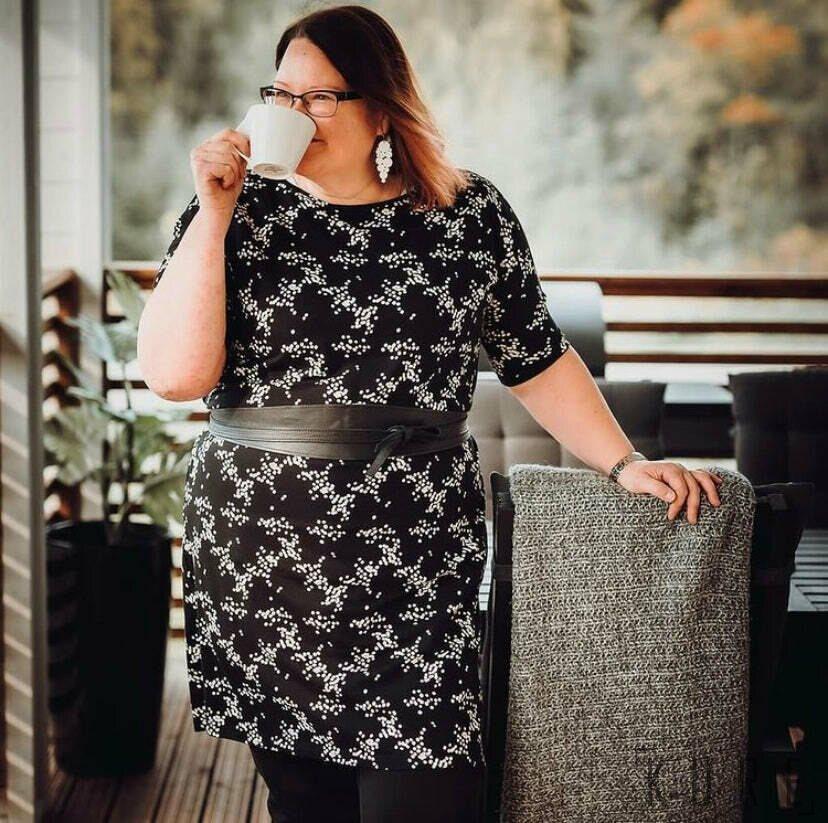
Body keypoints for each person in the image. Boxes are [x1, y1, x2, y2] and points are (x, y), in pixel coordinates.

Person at [137, 5, 722, 821]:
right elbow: (175, 375)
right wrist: (214, 214)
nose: (294, 114)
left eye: (320, 98)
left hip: (414, 551)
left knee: (428, 789)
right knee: (305, 801)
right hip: (263, 551)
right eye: (281, 94)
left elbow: (535, 355)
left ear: (382, 109)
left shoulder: (467, 213)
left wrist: (624, 462)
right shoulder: (236, 215)